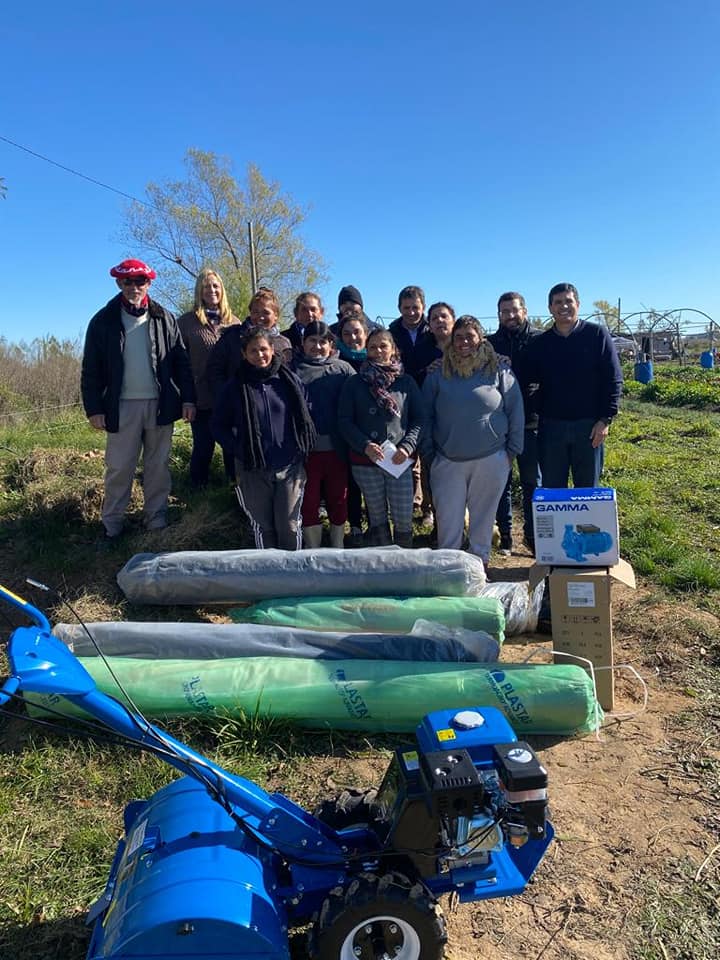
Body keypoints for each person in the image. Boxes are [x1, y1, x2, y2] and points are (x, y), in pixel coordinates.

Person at [81, 259, 195, 541]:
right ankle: (112, 526)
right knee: (120, 467)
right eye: (127, 282)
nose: (134, 287)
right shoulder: (103, 320)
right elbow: (91, 369)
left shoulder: (164, 317)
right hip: (121, 406)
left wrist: (188, 399)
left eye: (140, 281)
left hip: (161, 403)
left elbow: (181, 362)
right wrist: (94, 408)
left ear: (149, 283)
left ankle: (156, 519)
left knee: (158, 466)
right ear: (119, 284)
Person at [421, 315, 524, 567]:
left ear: (480, 339)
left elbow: (515, 411)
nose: (464, 342)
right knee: (448, 520)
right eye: (458, 337)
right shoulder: (438, 372)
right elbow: (425, 416)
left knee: (483, 518)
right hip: (447, 460)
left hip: (491, 458)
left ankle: (480, 567)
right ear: (452, 341)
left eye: (470, 336)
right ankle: (449, 569)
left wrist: (511, 452)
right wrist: (429, 454)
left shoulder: (498, 370)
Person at [211, 329, 316, 550]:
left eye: (264, 349)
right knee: (263, 527)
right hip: (253, 467)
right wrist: (238, 448)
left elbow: (306, 413)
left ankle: (291, 575)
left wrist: (299, 447)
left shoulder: (289, 381)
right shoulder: (234, 387)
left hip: (289, 466)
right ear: (244, 354)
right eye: (253, 351)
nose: (260, 355)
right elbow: (217, 426)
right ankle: (267, 579)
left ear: (272, 350)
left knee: (288, 525)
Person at [522, 283, 623, 488]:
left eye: (568, 301)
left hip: (588, 426)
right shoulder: (541, 343)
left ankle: (584, 523)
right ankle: (561, 523)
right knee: (553, 488)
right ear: (550, 308)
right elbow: (525, 377)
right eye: (558, 302)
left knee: (586, 490)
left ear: (578, 304)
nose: (564, 306)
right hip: (551, 427)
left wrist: (605, 419)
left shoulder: (596, 335)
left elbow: (613, 379)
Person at [338, 328, 425, 547]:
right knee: (376, 515)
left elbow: (419, 419)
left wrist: (407, 446)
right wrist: (364, 445)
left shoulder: (406, 382)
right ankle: (383, 561)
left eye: (383, 346)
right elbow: (345, 421)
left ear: (393, 349)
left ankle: (404, 559)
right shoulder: (354, 383)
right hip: (365, 460)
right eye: (373, 347)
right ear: (366, 350)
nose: (378, 351)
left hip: (398, 459)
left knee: (403, 514)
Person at [291, 321, 355, 547]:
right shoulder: (293, 370)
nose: (317, 346)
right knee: (309, 501)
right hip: (306, 452)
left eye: (323, 342)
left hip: (337, 450)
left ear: (331, 344)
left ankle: (338, 547)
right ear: (303, 343)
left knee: (339, 498)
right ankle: (313, 549)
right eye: (312, 341)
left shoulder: (343, 369)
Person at [487, 292, 541, 555]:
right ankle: (506, 535)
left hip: (531, 423)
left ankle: (534, 535)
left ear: (525, 311)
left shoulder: (539, 340)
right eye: (504, 311)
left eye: (514, 310)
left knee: (532, 481)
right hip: (498, 425)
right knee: (501, 482)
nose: (510, 315)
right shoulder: (490, 344)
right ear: (499, 314)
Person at [178, 269, 240, 488]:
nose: (212, 290)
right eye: (206, 286)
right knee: (203, 449)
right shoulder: (186, 323)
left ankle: (234, 495)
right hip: (201, 399)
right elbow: (180, 365)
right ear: (199, 291)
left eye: (215, 286)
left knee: (232, 450)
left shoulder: (234, 323)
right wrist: (187, 399)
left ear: (221, 289)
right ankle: (198, 500)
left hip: (230, 400)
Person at [389, 285, 434, 522]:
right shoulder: (392, 332)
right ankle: (405, 506)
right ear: (399, 308)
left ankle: (429, 507)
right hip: (400, 400)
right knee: (403, 455)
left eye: (415, 307)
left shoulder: (433, 331)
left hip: (429, 398)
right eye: (406, 308)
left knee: (427, 458)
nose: (411, 312)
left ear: (423, 307)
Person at [206, 287, 291, 400]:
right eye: (255, 312)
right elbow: (214, 371)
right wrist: (227, 397)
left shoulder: (284, 344)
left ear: (276, 316)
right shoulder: (232, 337)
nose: (260, 317)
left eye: (266, 312)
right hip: (238, 404)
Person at [335, 312, 372, 545]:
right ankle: (356, 525)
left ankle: (377, 525)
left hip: (374, 428)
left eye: (357, 332)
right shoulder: (337, 360)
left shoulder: (376, 357)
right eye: (346, 334)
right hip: (348, 427)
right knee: (351, 479)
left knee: (375, 480)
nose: (352, 337)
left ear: (365, 334)